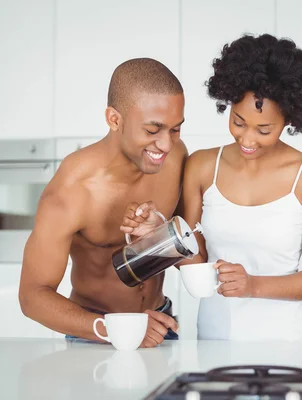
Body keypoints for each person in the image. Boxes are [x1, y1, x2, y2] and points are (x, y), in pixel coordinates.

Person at [122, 34, 302, 341]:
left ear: (289, 118)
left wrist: (253, 285)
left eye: (264, 130)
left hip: (283, 341)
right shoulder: (202, 166)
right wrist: (161, 233)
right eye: (239, 122)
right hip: (213, 338)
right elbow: (195, 261)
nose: (248, 139)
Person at [18, 58, 187, 347]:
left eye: (175, 129)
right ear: (114, 119)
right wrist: (117, 330)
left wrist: (161, 231)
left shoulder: (174, 159)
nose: (166, 144)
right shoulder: (73, 190)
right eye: (152, 130)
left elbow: (189, 249)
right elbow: (32, 295)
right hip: (95, 333)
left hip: (160, 324)